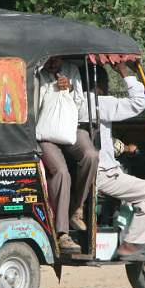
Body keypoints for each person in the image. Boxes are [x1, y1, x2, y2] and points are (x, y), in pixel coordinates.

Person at [94, 63, 145, 261]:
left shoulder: (71, 102)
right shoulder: (100, 103)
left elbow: (105, 141)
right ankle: (131, 243)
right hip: (102, 174)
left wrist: (120, 147)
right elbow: (138, 102)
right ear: (100, 85)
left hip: (86, 171)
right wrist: (125, 72)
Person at [37, 56, 99, 253]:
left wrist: (70, 88)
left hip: (69, 128)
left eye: (57, 60)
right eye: (50, 61)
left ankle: (76, 209)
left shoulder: (72, 70)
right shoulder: (35, 71)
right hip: (44, 133)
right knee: (62, 172)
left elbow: (80, 107)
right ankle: (62, 233)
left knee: (91, 155)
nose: (54, 65)